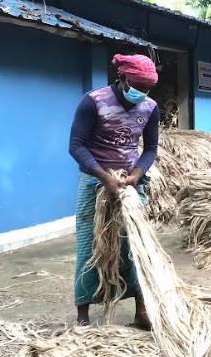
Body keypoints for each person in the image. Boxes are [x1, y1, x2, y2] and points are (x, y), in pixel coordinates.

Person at [68, 54, 160, 328]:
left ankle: (141, 310)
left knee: (135, 246)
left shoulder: (150, 107)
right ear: (122, 78)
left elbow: (151, 148)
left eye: (147, 88)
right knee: (88, 246)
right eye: (137, 85)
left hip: (130, 184)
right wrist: (103, 176)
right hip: (95, 183)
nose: (141, 93)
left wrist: (136, 174)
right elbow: (76, 146)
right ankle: (82, 316)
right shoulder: (93, 101)